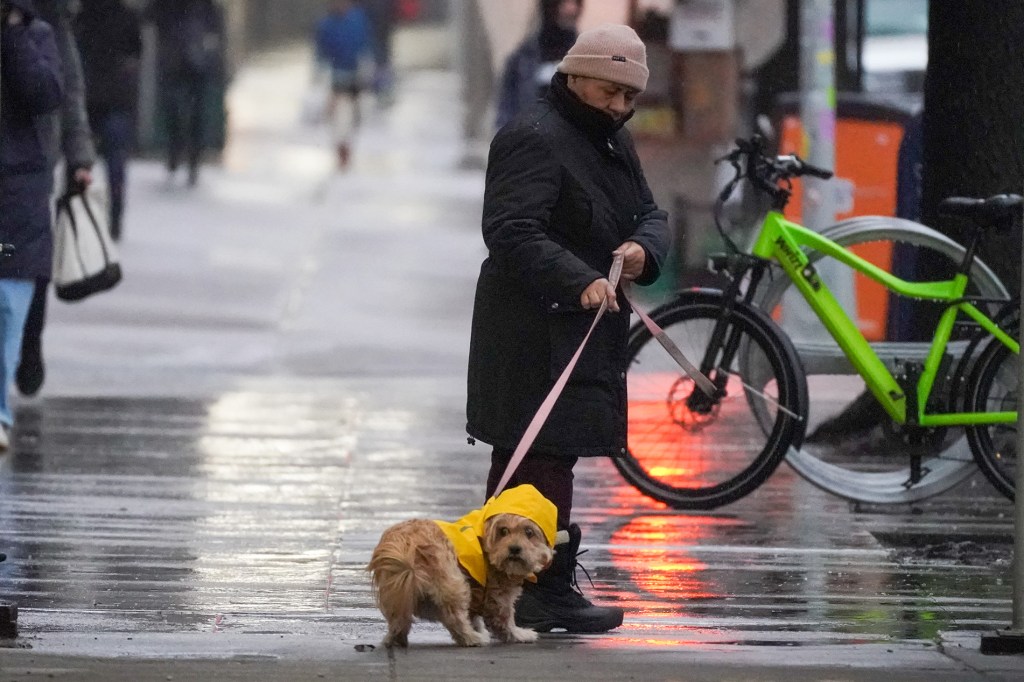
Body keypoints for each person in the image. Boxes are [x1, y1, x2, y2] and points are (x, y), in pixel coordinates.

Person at [467, 24, 670, 633]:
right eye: (610, 92)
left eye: (630, 98)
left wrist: (641, 248)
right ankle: (532, 589)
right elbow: (510, 230)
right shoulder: (532, 137)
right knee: (535, 456)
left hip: (583, 329)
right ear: (575, 75)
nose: (619, 107)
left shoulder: (609, 139)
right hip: (533, 331)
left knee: (550, 457)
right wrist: (578, 278)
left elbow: (649, 212)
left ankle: (531, 587)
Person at [14, 0, 96, 399]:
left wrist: (79, 155)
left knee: (31, 257)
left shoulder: (51, 22)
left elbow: (71, 91)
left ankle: (30, 341)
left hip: (35, 157)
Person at [0, 0, 66, 451]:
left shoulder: (35, 34)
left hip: (16, 195)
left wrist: (13, 32)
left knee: (8, 308)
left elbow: (47, 94)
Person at [74, 0, 143, 242]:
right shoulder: (126, 17)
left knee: (80, 161)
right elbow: (136, 54)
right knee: (115, 163)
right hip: (116, 98)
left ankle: (76, 216)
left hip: (89, 97)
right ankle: (115, 218)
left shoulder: (83, 16)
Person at [145, 0, 226, 187]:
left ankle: (189, 158)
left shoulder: (202, 7)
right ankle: (180, 153)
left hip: (193, 62)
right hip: (179, 61)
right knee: (176, 110)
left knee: (192, 113)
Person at [495, 0, 583, 130]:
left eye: (576, 3)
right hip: (529, 140)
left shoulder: (586, 59)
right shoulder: (521, 60)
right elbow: (505, 114)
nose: (571, 9)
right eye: (564, 3)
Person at [315, 0, 375, 169]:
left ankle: (348, 144)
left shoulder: (358, 20)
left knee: (354, 115)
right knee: (338, 115)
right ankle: (340, 146)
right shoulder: (326, 25)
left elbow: (366, 44)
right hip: (336, 77)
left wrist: (368, 67)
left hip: (355, 76)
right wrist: (320, 73)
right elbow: (320, 52)